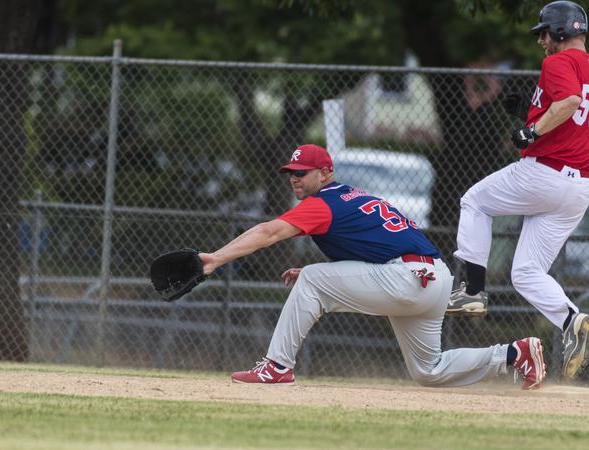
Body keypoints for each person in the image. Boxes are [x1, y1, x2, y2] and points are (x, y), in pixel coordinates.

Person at [199, 144, 546, 389]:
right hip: (433, 277)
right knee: (429, 370)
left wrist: (216, 258)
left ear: (325, 173)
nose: (295, 179)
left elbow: (269, 231)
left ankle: (276, 367)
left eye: (302, 173)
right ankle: (515, 354)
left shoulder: (323, 203)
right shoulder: (351, 196)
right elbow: (374, 247)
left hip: (408, 276)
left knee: (316, 280)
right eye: (291, 173)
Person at [446, 1, 589, 381]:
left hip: (544, 174)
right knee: (526, 272)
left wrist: (532, 131)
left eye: (545, 32)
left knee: (474, 201)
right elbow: (576, 115)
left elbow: (571, 101)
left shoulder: (559, 62)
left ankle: (472, 290)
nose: (542, 41)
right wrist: (529, 111)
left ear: (561, 31)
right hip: (578, 188)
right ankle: (573, 320)